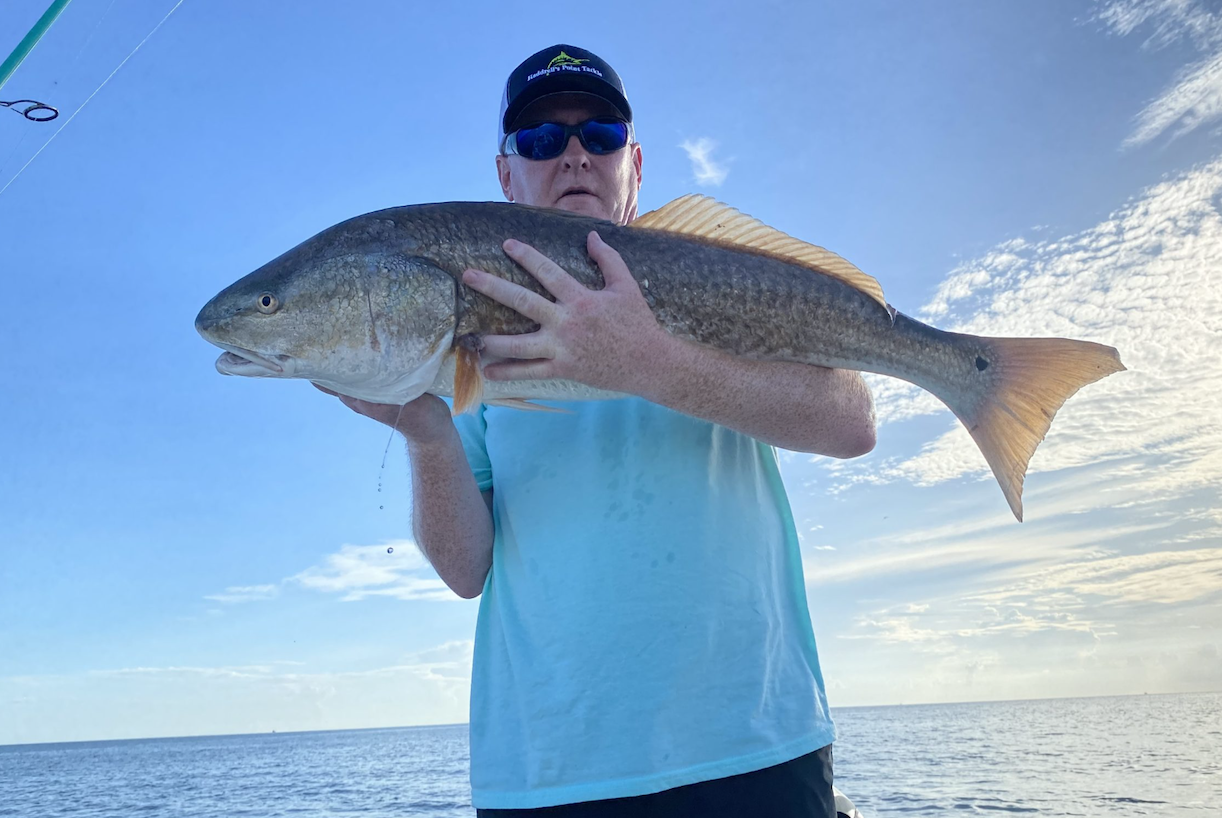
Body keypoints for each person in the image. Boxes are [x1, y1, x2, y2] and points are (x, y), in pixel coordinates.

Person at [322, 44, 876, 817]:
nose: (575, 154)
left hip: (753, 741)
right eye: (543, 139)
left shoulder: (716, 273)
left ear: (635, 166)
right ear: (506, 173)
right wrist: (425, 434)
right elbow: (464, 571)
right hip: (549, 770)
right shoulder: (462, 323)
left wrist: (650, 361)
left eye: (601, 135)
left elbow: (852, 424)